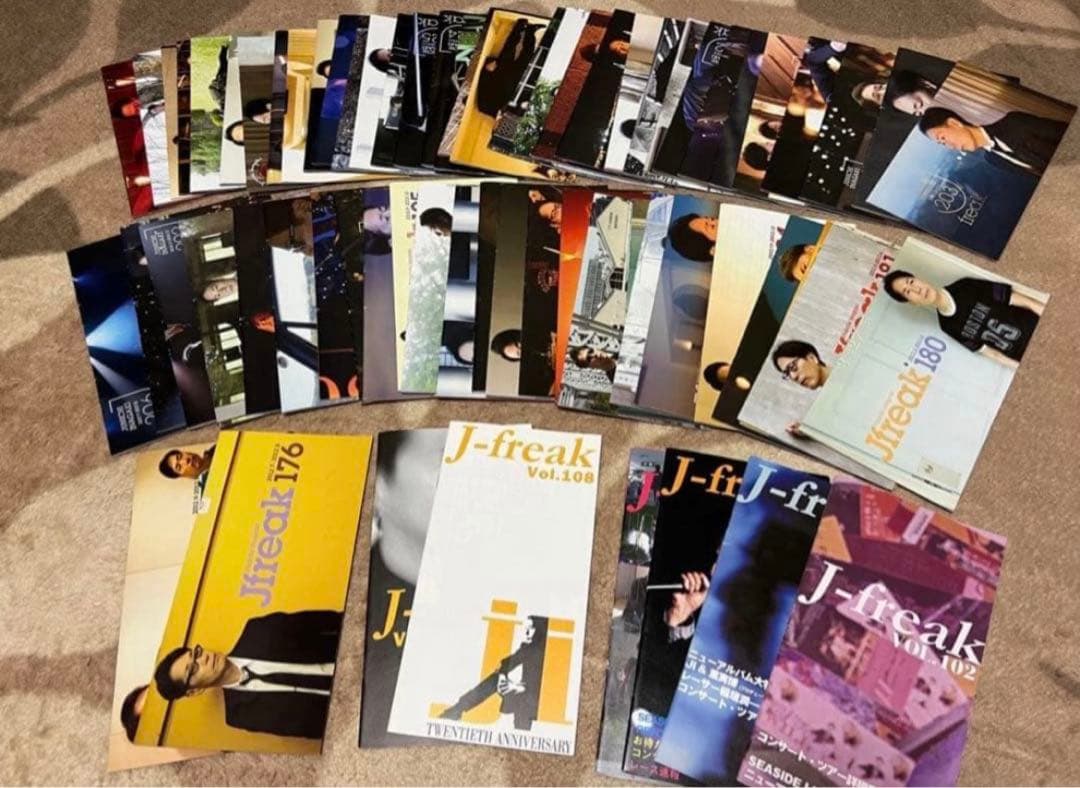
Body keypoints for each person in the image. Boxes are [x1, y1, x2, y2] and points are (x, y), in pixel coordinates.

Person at [152, 610, 343, 739]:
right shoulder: (241, 717)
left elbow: (333, 620)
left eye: (197, 653)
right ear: (193, 691)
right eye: (193, 669)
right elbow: (310, 729)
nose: (204, 659)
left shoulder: (259, 630)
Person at [882, 269, 1043, 366]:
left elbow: (1026, 302)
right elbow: (992, 354)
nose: (916, 289)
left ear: (918, 278)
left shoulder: (965, 286)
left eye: (911, 282)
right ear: (912, 303)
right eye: (907, 292)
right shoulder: (947, 327)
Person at [439, 616, 550, 730]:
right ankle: (458, 709)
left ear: (540, 629)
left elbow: (549, 687)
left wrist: (518, 687)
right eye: (526, 628)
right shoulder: (528, 648)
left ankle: (522, 733)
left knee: (523, 705)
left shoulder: (550, 651)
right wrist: (502, 675)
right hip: (525, 693)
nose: (526, 632)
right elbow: (506, 663)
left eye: (531, 628)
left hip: (541, 702)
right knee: (495, 680)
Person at [918, 107, 1067, 177]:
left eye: (943, 138)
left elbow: (1068, 133)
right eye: (942, 144)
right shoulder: (993, 160)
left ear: (954, 123)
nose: (950, 146)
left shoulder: (1014, 122)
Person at [475, 18, 541, 116]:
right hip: (516, 77)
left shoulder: (485, 108)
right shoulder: (508, 113)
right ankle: (530, 31)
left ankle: (519, 26)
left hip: (500, 73)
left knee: (509, 48)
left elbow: (482, 88)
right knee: (528, 54)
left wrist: (487, 71)